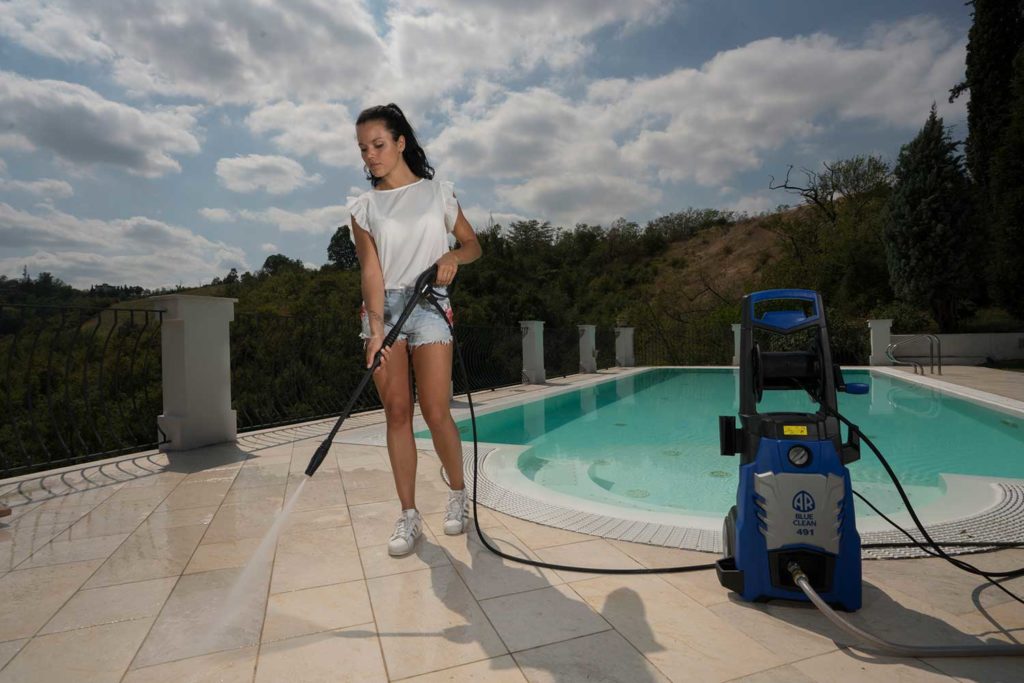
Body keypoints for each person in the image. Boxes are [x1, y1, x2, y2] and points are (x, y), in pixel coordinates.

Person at [347, 103, 482, 557]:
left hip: (430, 306)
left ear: (400, 141)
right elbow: (371, 270)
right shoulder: (363, 207)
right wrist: (375, 329)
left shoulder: (438, 193)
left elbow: (472, 245)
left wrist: (451, 258)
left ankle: (458, 493)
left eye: (378, 145)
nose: (370, 155)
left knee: (436, 410)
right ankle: (408, 514)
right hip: (385, 308)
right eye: (363, 148)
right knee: (397, 413)